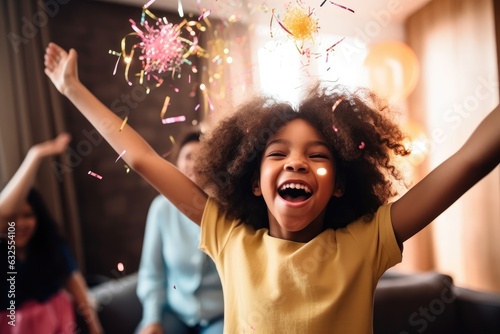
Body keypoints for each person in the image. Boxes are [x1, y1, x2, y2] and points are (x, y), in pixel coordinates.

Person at [44, 42, 499, 333]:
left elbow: (471, 159)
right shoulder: (229, 238)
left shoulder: (367, 243)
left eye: (317, 156)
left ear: (339, 186)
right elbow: (141, 158)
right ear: (255, 183)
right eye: (278, 154)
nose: (297, 161)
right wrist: (72, 90)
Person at [0, 134, 103, 334]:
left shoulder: (51, 244)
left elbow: (77, 288)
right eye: (13, 218)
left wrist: (95, 327)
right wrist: (35, 156)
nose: (19, 224)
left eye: (28, 215)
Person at [136, 129, 224, 334]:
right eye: (188, 157)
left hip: (219, 317)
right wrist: (151, 319)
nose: (194, 164)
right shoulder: (161, 208)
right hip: (173, 314)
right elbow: (151, 273)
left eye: (202, 157)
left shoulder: (228, 211)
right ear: (176, 165)